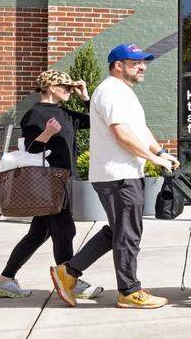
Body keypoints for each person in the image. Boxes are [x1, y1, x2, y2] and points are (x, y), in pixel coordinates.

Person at [49, 44, 179, 308]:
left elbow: (140, 130)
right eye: (135, 62)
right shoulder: (111, 91)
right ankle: (129, 291)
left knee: (117, 231)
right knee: (128, 234)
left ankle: (68, 272)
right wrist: (153, 159)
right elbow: (122, 134)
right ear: (117, 65)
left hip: (124, 173)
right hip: (118, 176)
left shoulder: (124, 93)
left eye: (144, 62)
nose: (142, 67)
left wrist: (161, 151)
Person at [0, 70, 104, 300]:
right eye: (66, 87)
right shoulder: (35, 114)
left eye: (71, 87)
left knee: (38, 233)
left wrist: (85, 98)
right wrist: (48, 133)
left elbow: (97, 122)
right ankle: (69, 280)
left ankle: (4, 280)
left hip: (62, 179)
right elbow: (30, 150)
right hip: (47, 181)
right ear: (51, 87)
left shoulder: (65, 113)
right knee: (65, 230)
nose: (70, 90)